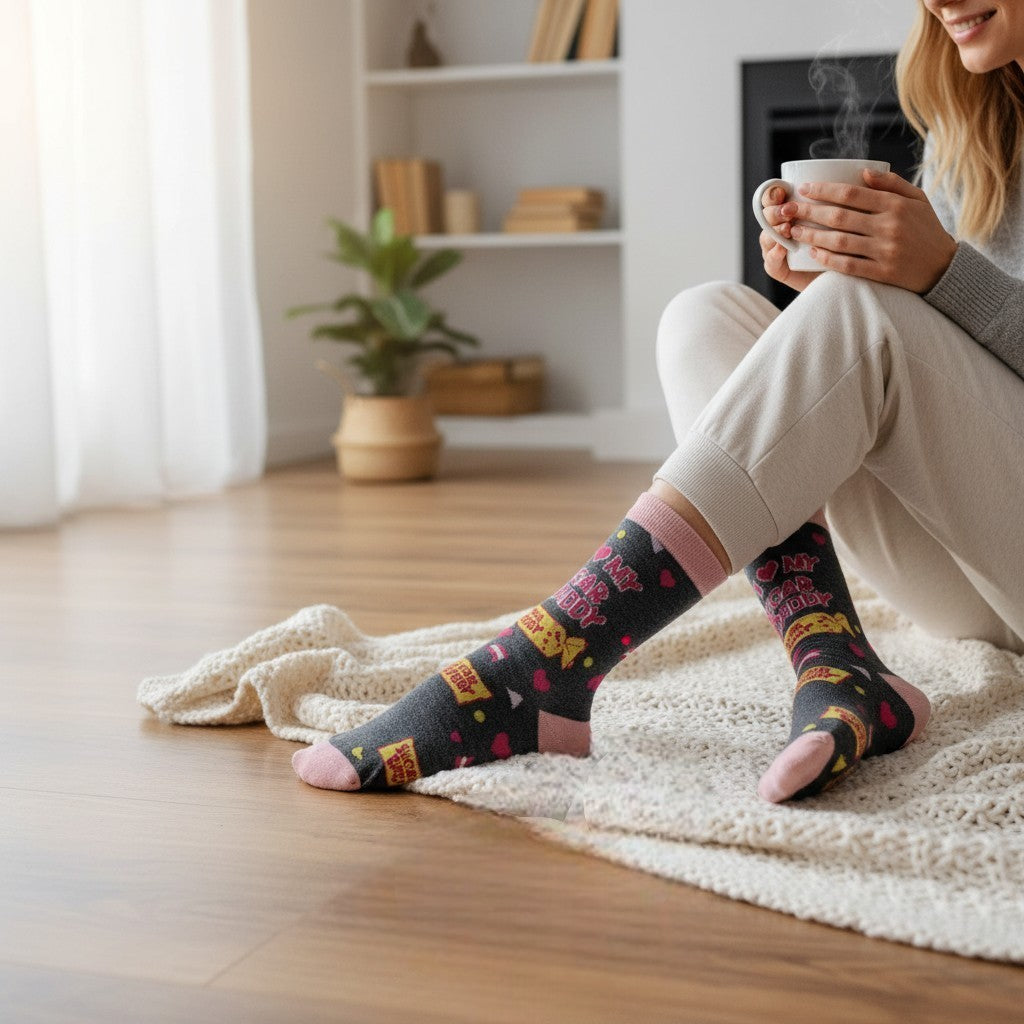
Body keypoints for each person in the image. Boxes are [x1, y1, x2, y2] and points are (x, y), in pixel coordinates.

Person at [293, 0, 1024, 803]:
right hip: (973, 577)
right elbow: (949, 361)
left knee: (860, 315)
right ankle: (838, 663)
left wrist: (935, 277)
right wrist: (830, 290)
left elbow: (944, 308)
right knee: (704, 318)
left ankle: (547, 663)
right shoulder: (976, 136)